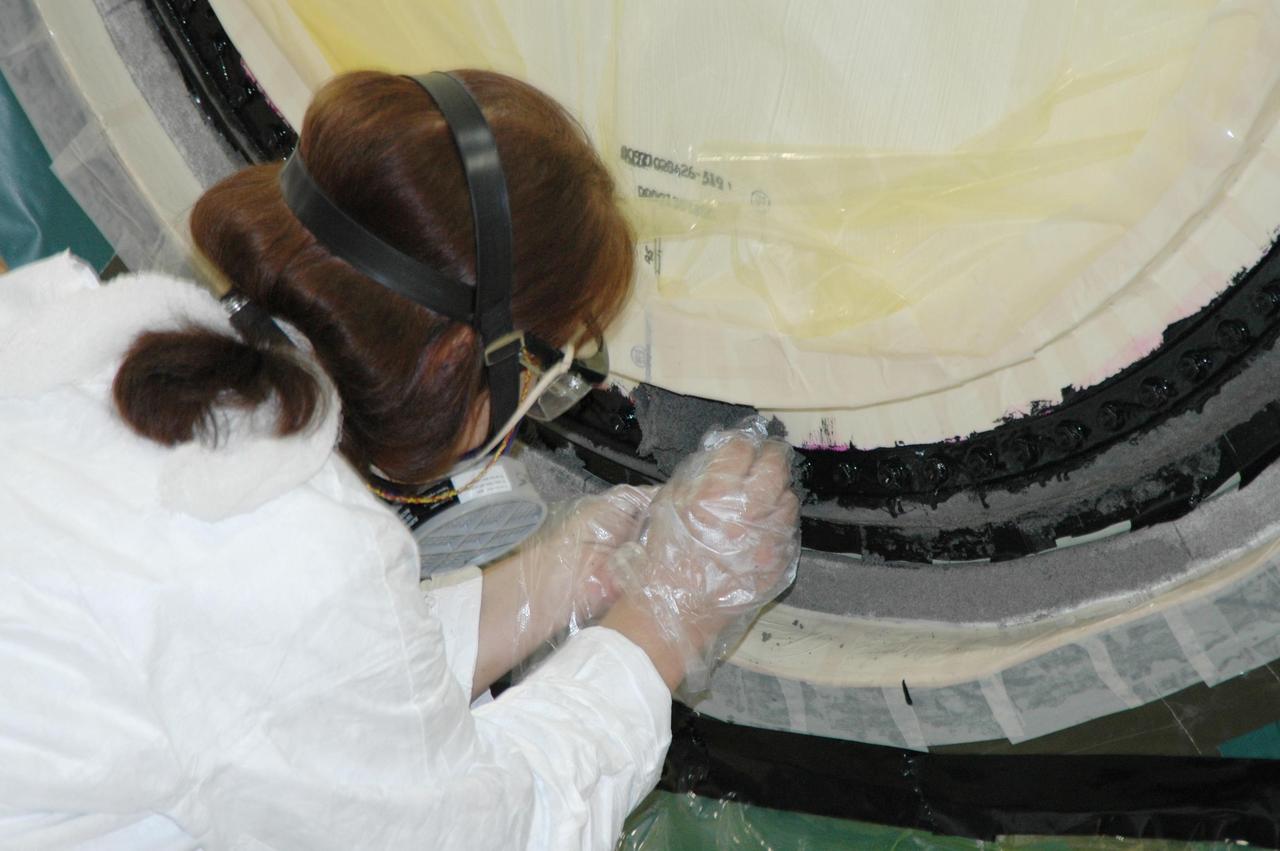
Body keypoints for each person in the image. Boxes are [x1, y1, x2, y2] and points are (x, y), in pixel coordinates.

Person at [0, 69, 799, 849]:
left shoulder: (73, 329)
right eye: (540, 375)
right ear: (459, 354)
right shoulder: (282, 553)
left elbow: (309, 695)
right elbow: (492, 830)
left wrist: (553, 579)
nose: (530, 402)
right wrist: (666, 620)